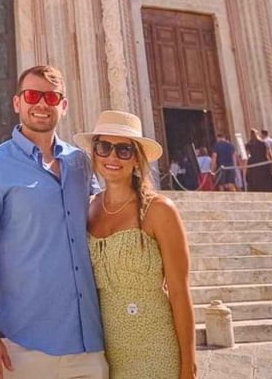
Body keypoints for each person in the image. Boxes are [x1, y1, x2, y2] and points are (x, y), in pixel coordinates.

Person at [0, 65, 104, 379]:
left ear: (63, 106)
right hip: (24, 348)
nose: (41, 103)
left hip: (89, 345)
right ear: (17, 103)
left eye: (51, 97)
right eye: (32, 95)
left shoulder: (81, 164)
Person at [80, 110, 197, 379]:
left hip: (156, 350)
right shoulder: (88, 209)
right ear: (95, 152)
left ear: (136, 159)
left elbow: (180, 292)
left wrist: (188, 365)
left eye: (123, 150)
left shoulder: (159, 211)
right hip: (104, 355)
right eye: (104, 147)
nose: (111, 157)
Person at [244, 128, 272, 193]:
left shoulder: (248, 144)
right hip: (263, 164)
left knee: (255, 183)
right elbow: (268, 155)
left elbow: (247, 157)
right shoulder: (264, 143)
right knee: (266, 183)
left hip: (253, 164)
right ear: (257, 134)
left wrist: (246, 168)